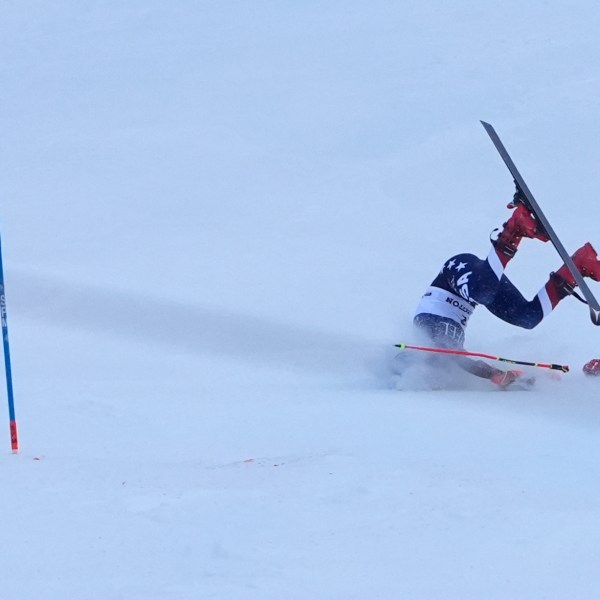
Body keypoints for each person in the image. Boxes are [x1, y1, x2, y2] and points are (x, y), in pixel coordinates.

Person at [410, 191, 600, 388]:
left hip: (455, 274)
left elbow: (457, 358)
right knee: (528, 318)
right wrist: (523, 377)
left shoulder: (428, 337)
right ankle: (578, 266)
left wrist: (497, 375)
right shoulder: (450, 354)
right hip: (482, 287)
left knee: (481, 294)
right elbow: (464, 360)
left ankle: (515, 227)